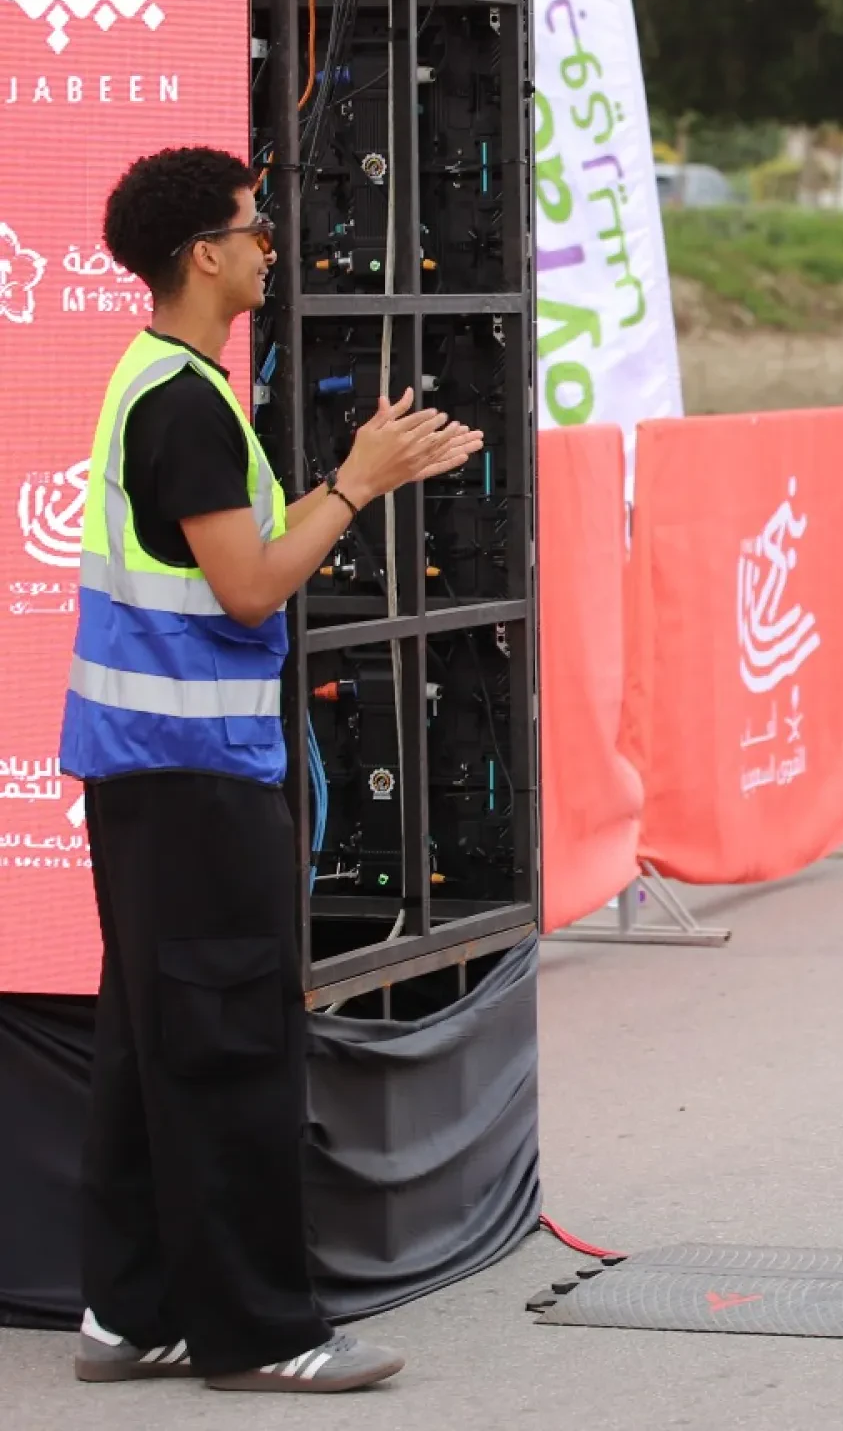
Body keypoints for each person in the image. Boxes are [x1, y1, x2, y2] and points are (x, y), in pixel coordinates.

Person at [63, 148, 480, 1392]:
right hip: (195, 780)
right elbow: (249, 587)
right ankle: (265, 1334)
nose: (269, 244)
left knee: (151, 1042)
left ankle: (130, 1314)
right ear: (204, 253)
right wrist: (355, 485)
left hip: (151, 774)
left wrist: (360, 480)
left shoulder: (163, 380)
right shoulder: (185, 405)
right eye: (252, 227)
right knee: (231, 1048)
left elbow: (234, 555)